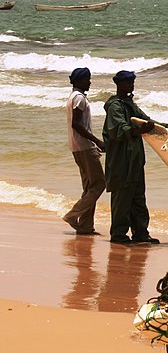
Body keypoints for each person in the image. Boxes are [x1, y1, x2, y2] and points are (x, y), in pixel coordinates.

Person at [102, 70, 162, 245]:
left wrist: (165, 129)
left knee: (138, 198)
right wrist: (140, 131)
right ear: (119, 84)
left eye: (132, 82)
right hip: (121, 162)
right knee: (122, 199)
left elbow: (146, 121)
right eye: (128, 82)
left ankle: (141, 233)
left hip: (135, 162)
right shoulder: (115, 107)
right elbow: (118, 130)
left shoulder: (130, 104)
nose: (131, 85)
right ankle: (119, 235)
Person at [63, 67, 106, 236]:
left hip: (77, 146)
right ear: (79, 81)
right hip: (84, 147)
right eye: (88, 79)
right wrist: (96, 141)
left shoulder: (73, 97)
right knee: (99, 184)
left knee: (90, 187)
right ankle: (73, 215)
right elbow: (77, 124)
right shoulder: (79, 98)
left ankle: (86, 226)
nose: (90, 82)